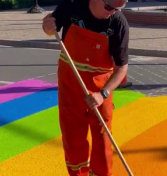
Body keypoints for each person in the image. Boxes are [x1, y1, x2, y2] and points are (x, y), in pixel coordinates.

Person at [42, 0, 129, 175]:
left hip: (100, 88)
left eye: (118, 9)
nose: (112, 12)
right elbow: (50, 29)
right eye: (109, 7)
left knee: (103, 138)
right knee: (72, 137)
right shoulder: (72, 6)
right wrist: (47, 26)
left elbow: (121, 69)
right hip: (70, 85)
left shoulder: (118, 23)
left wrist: (102, 94)